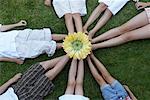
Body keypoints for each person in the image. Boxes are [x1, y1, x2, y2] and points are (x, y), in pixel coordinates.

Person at [0, 55, 69, 100]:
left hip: (16, 88)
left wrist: (12, 80)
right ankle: (71, 53)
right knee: (47, 78)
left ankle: (70, 51)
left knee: (39, 66)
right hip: (26, 98)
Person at [0, 20, 67, 64]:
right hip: (15, 49)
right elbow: (1, 58)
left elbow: (1, 28)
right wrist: (15, 60)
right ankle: (70, 46)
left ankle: (72, 36)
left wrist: (17, 24)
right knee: (44, 46)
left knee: (43, 35)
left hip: (16, 35)